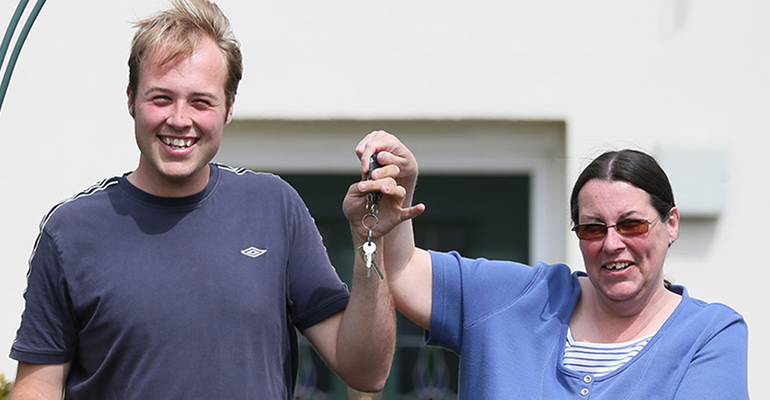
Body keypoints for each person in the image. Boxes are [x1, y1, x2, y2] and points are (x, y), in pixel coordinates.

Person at [8, 1, 396, 398]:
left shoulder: (273, 207)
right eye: (161, 98)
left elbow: (366, 372)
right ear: (130, 100)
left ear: (228, 108)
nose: (179, 119)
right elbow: (37, 387)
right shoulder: (71, 230)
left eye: (200, 101)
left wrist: (371, 239)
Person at [344, 130, 750, 399]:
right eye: (592, 229)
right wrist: (401, 191)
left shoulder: (710, 336)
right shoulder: (512, 298)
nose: (612, 243)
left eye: (632, 224)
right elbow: (401, 272)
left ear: (671, 224)